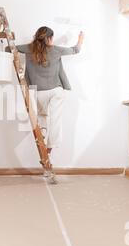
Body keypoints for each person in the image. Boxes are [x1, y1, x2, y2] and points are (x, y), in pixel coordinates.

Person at [13, 26, 84, 183]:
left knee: (43, 119)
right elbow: (76, 50)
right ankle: (48, 152)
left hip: (38, 93)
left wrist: (13, 46)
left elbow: (8, 48)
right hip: (56, 91)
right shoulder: (56, 50)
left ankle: (44, 151)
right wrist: (80, 39)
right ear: (50, 38)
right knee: (56, 120)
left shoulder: (28, 49)